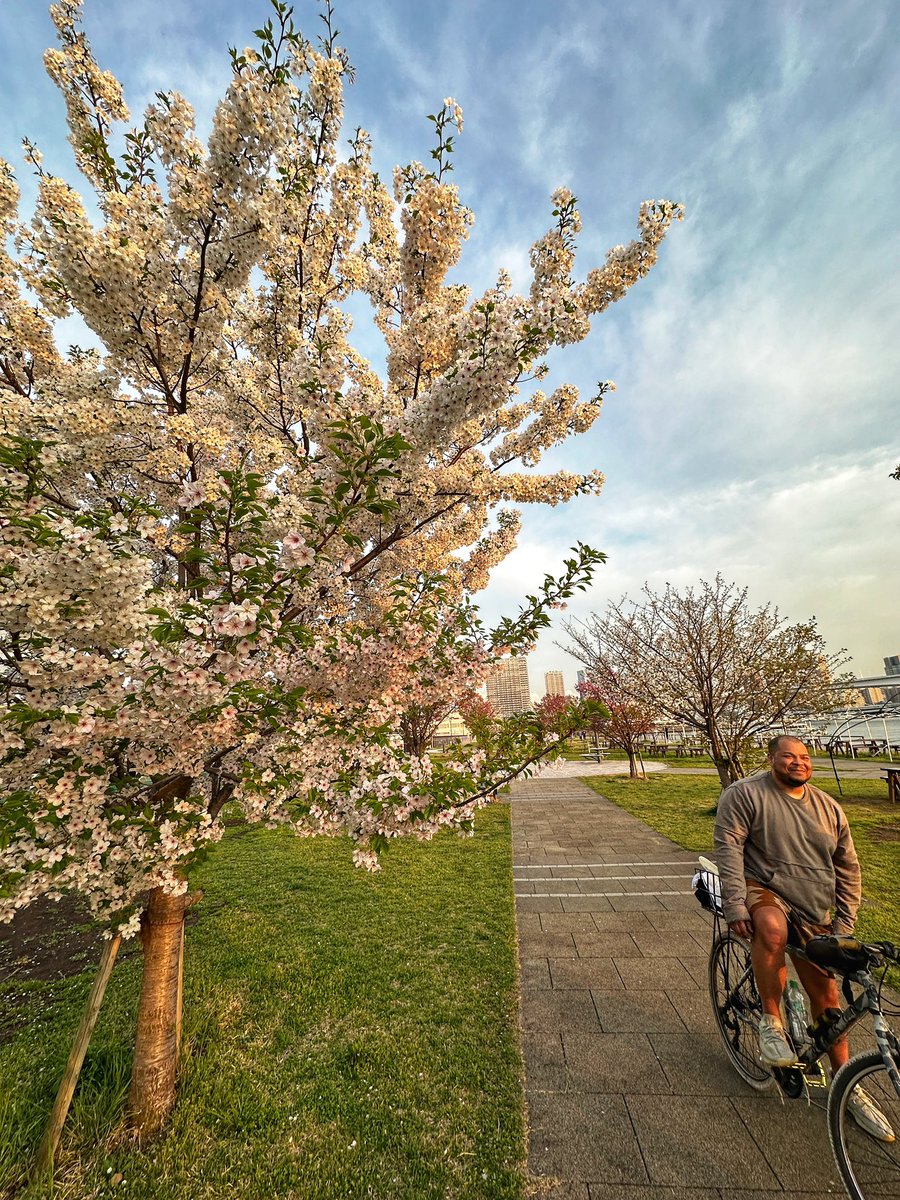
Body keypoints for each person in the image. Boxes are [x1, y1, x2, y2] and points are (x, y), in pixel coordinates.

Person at [714, 734, 893, 1142]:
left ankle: (847, 1083)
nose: (798, 762)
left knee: (828, 999)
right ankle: (771, 1022)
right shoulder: (744, 795)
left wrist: (844, 925)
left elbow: (848, 867)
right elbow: (728, 848)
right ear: (772, 758)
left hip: (814, 906)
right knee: (773, 931)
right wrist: (736, 905)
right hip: (764, 888)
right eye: (789, 756)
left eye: (805, 757)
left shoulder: (829, 807)